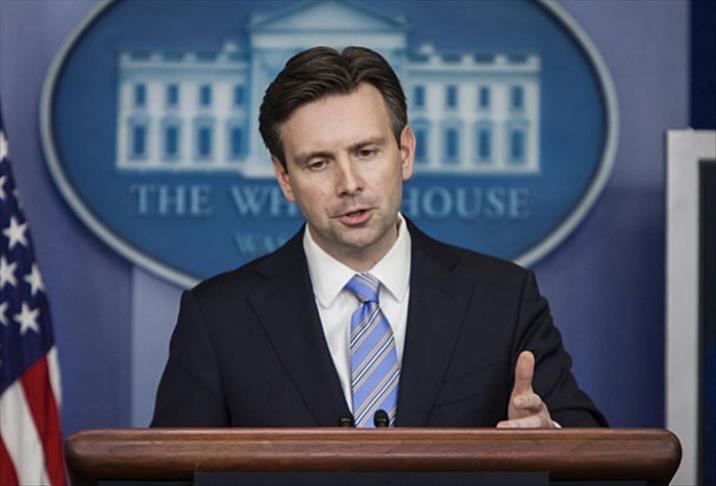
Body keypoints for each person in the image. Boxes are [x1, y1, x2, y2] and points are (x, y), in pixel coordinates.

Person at [152, 46, 606, 428]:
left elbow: (592, 452)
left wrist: (548, 439)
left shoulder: (503, 299)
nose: (349, 183)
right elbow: (166, 472)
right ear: (284, 177)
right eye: (318, 163)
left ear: (405, 152)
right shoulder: (218, 318)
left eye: (366, 152)